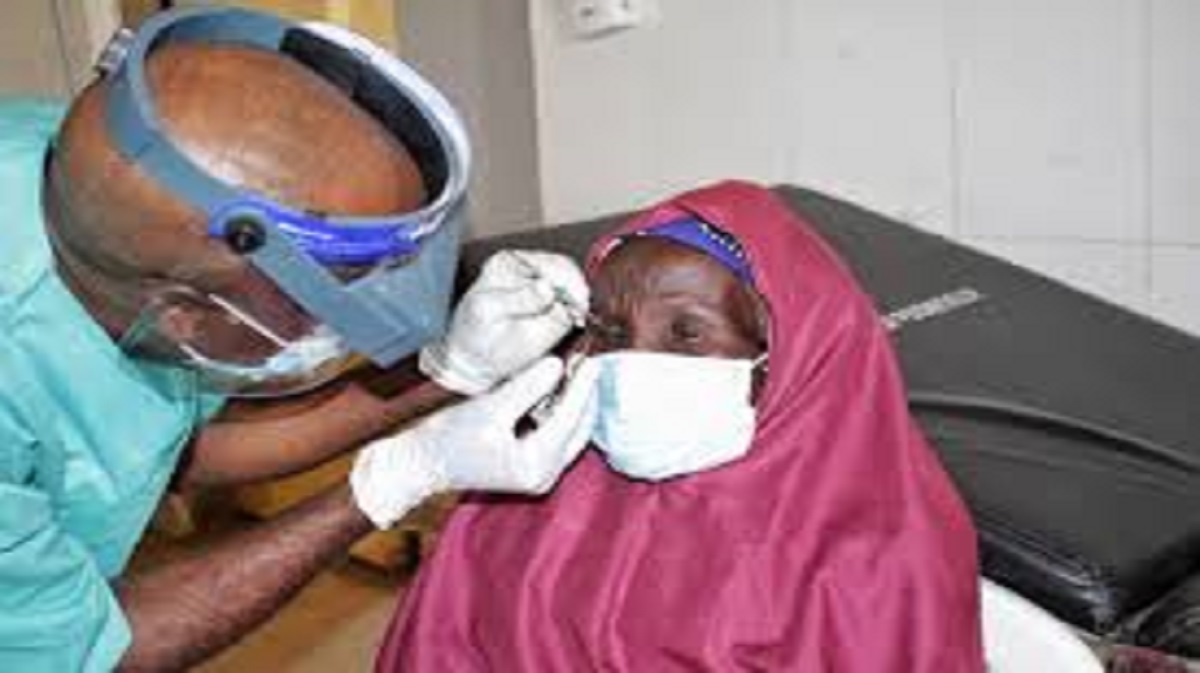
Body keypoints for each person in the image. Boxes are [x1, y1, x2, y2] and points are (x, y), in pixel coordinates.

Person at [0, 7, 597, 672]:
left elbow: (165, 447)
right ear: (183, 316)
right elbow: (98, 647)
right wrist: (396, 479)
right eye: (325, 302)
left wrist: (449, 371)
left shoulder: (119, 177)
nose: (333, 329)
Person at [377, 181, 985, 671]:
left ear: (786, 352)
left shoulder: (878, 557)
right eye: (611, 331)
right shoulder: (529, 490)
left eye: (686, 333)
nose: (634, 362)